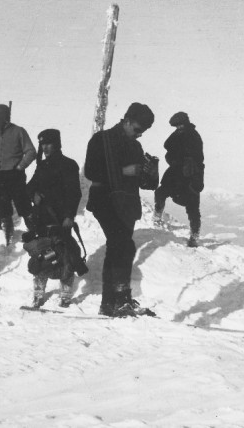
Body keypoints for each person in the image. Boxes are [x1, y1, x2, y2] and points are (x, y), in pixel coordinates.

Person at [84, 103, 159, 318]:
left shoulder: (135, 147)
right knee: (122, 245)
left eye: (143, 132)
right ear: (127, 121)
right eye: (137, 129)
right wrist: (124, 171)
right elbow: (91, 171)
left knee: (117, 247)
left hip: (127, 204)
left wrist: (150, 174)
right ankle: (121, 299)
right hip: (105, 200)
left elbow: (146, 184)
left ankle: (109, 303)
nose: (139, 134)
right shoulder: (101, 139)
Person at [25, 129, 82, 308]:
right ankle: (38, 294)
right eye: (43, 144)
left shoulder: (69, 165)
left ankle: (65, 295)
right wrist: (34, 194)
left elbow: (74, 193)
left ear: (57, 144)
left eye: (49, 144)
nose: (45, 147)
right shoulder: (42, 165)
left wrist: (69, 216)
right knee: (42, 255)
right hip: (42, 220)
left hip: (60, 219)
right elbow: (30, 187)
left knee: (65, 255)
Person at [0, 104, 37, 245]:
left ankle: (36, 232)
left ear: (0, 117)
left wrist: (20, 166)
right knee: (2, 209)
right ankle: (8, 236)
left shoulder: (18, 131)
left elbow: (31, 151)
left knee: (23, 204)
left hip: (15, 175)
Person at [154, 112, 205, 247]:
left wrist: (186, 162)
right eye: (177, 126)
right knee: (160, 192)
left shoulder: (193, 136)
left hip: (191, 174)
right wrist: (173, 159)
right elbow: (168, 145)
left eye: (180, 125)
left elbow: (197, 158)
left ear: (185, 123)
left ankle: (194, 236)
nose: (178, 128)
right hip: (176, 173)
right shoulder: (178, 134)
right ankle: (157, 218)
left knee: (193, 207)